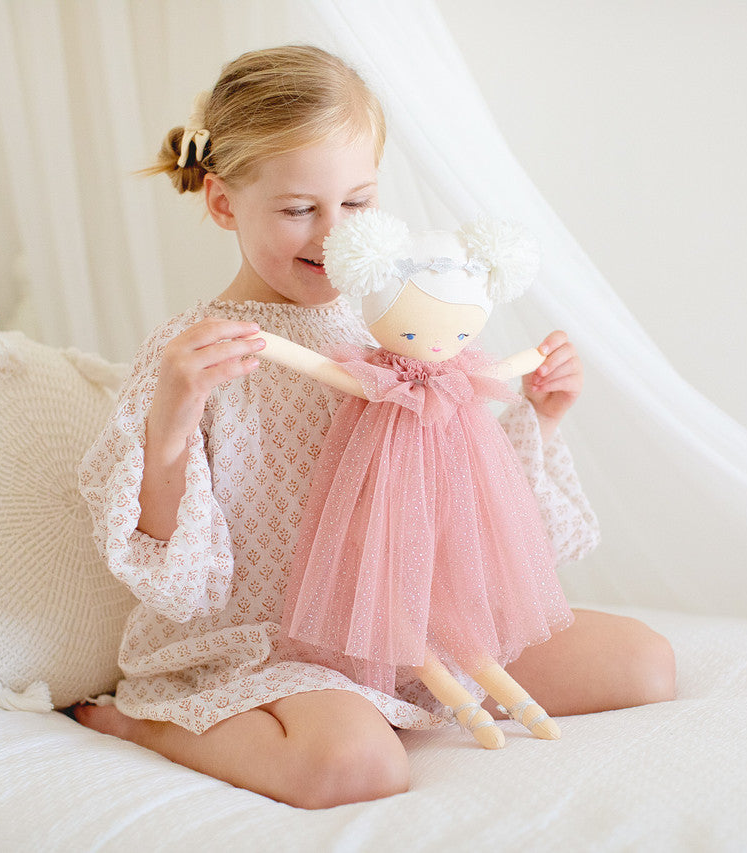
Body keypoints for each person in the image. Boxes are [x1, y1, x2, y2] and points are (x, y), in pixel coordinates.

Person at [76, 44, 676, 810]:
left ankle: (404, 692)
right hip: (268, 642)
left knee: (644, 664)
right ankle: (147, 725)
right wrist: (171, 420)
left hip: (409, 630)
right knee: (358, 767)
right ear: (224, 202)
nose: (331, 235)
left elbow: (459, 484)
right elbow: (178, 578)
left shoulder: (391, 320)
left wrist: (541, 420)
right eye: (299, 210)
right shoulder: (194, 351)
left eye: (355, 204)